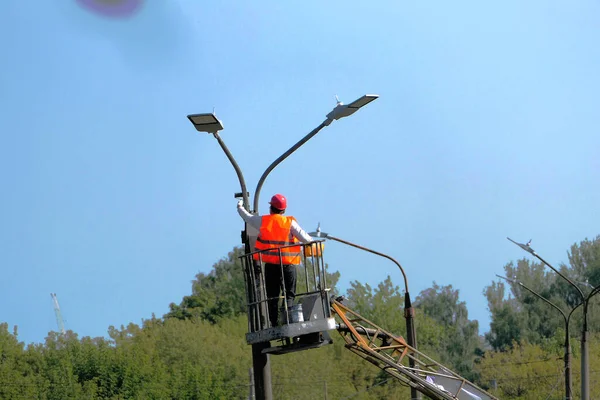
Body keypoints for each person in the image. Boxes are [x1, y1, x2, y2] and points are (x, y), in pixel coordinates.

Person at [237, 193, 312, 327]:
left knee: (273, 296)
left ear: (271, 207)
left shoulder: (263, 221)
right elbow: (307, 239)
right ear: (283, 210)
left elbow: (247, 217)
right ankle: (288, 319)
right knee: (289, 294)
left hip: (271, 266)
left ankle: (274, 322)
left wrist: (240, 205)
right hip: (288, 265)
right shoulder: (290, 223)